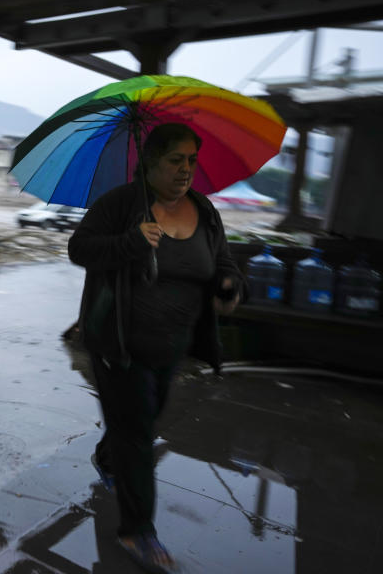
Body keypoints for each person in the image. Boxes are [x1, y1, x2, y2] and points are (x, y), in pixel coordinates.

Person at [67, 122, 245, 573]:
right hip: (120, 344)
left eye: (191, 160)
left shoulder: (203, 210)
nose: (186, 170)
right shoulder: (121, 205)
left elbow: (222, 258)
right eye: (174, 160)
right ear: (149, 162)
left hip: (173, 346)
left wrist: (229, 283)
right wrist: (128, 242)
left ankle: (109, 456)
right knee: (139, 437)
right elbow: (79, 248)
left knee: (140, 422)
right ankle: (137, 530)